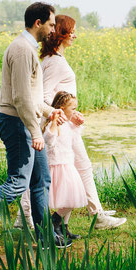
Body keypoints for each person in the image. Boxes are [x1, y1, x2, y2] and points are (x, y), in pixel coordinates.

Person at [0, 2, 69, 257]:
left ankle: (45, 238)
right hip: (18, 124)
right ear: (38, 23)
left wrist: (51, 112)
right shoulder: (21, 51)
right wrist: (36, 132)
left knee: (40, 181)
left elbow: (32, 96)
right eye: (51, 24)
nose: (54, 29)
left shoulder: (28, 49)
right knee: (18, 183)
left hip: (26, 121)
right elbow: (20, 99)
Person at [14, 15, 126, 231]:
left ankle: (27, 216)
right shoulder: (55, 62)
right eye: (71, 31)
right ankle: (96, 216)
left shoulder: (51, 59)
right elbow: (44, 97)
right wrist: (64, 114)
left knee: (51, 170)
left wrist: (70, 113)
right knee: (80, 167)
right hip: (61, 127)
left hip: (64, 123)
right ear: (60, 35)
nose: (75, 35)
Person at [41, 92, 88, 241]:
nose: (75, 111)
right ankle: (55, 221)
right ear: (61, 108)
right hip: (57, 166)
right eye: (73, 109)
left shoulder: (67, 123)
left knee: (72, 198)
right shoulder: (54, 124)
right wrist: (54, 121)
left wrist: (78, 122)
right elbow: (49, 140)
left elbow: (74, 136)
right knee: (69, 200)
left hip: (68, 164)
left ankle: (60, 225)